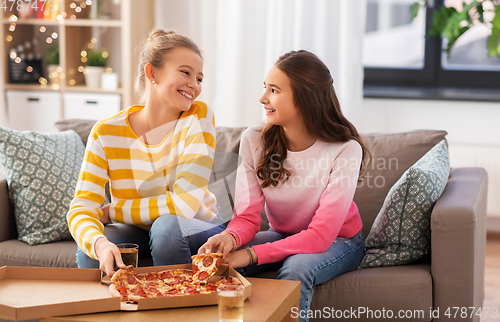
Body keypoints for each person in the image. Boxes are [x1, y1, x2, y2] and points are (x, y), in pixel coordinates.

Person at [199, 50, 370, 322]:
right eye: (265, 88)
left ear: (305, 97)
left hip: (340, 240)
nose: (263, 98)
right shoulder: (254, 139)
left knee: (297, 267)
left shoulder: (345, 149)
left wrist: (251, 255)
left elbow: (320, 235)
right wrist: (229, 239)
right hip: (284, 235)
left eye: (274, 90)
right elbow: (246, 216)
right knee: (218, 266)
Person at [68, 29, 225, 278]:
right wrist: (99, 243)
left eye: (199, 78)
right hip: (139, 229)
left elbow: (184, 205)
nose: (194, 85)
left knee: (165, 228)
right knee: (93, 247)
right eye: (185, 72)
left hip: (196, 225)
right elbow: (81, 207)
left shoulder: (199, 116)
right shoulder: (106, 133)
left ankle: (178, 309)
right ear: (152, 73)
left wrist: (114, 211)